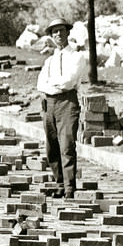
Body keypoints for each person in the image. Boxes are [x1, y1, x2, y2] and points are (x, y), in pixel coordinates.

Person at [36, 17, 86, 198]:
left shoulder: (77, 56)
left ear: (68, 32)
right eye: (54, 31)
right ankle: (59, 183)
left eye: (61, 30)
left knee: (67, 145)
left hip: (67, 103)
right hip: (49, 103)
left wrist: (52, 84)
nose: (58, 34)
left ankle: (69, 187)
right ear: (51, 35)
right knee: (52, 146)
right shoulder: (49, 60)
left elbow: (69, 81)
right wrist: (51, 86)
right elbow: (41, 83)